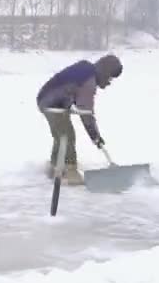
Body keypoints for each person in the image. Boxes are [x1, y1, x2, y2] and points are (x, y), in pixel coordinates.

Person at [35, 54, 123, 185]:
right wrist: (95, 136)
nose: (109, 82)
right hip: (52, 103)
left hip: (48, 100)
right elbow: (86, 112)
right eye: (110, 77)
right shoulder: (88, 81)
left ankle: (55, 166)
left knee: (61, 134)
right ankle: (70, 171)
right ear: (105, 71)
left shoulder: (86, 71)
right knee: (67, 135)